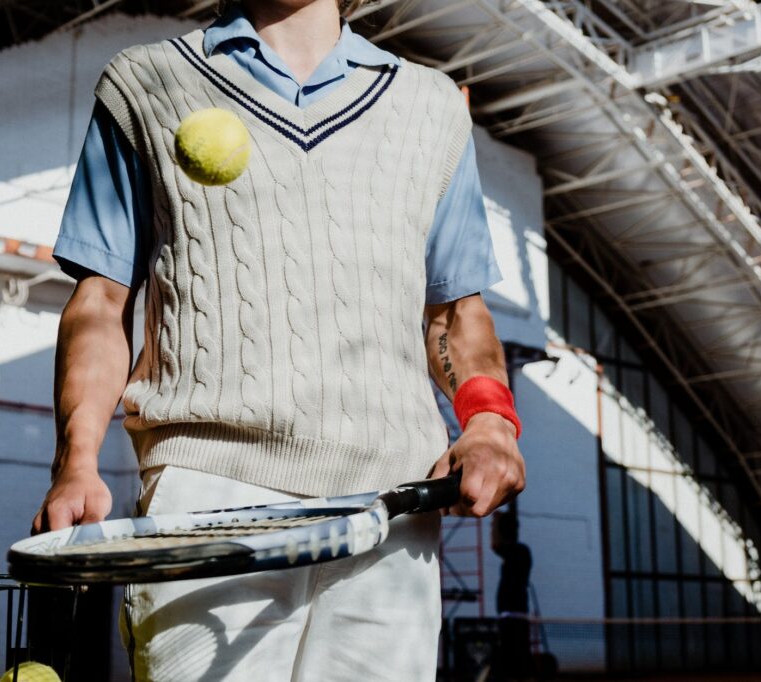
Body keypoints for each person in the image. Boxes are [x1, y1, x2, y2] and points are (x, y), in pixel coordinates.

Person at [31, 0, 526, 679]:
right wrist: (77, 458)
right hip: (207, 498)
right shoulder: (145, 82)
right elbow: (101, 301)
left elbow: (455, 311)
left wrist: (491, 423)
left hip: (394, 511)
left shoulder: (432, 106)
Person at [491, 508, 533, 681]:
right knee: (514, 664)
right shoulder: (521, 551)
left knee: (513, 664)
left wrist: (494, 524)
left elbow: (495, 545)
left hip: (513, 617)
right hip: (512, 616)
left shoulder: (518, 551)